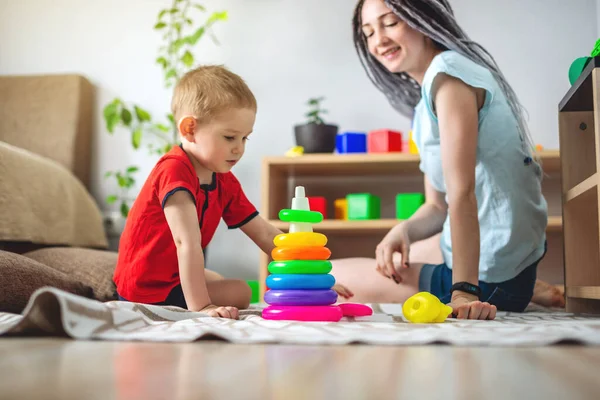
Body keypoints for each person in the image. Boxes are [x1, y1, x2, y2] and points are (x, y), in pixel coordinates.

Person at [343, 0, 564, 320]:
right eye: (368, 32)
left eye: (390, 23)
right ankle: (527, 287)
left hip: (495, 274)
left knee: (330, 277)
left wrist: (463, 291)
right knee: (402, 256)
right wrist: (401, 231)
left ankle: (511, 289)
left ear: (422, 20)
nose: (378, 40)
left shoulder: (448, 77)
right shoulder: (428, 98)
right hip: (510, 254)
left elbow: (462, 194)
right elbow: (437, 206)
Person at [113, 65, 353, 319]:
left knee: (224, 283)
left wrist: (312, 280)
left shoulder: (223, 180)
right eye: (229, 137)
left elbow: (264, 233)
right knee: (239, 291)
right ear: (189, 129)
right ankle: (191, 301)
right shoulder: (174, 171)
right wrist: (202, 308)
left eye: (245, 139)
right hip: (144, 290)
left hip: (171, 277)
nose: (239, 149)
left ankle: (195, 294)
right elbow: (187, 243)